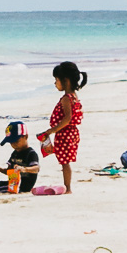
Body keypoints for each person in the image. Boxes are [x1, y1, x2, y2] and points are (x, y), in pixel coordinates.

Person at [36, 61, 87, 194]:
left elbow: (67, 118)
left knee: (65, 162)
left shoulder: (66, 98)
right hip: (70, 133)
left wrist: (51, 131)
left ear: (66, 81)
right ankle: (67, 187)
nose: (55, 83)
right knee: (64, 160)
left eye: (56, 80)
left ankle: (68, 188)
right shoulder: (74, 96)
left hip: (65, 133)